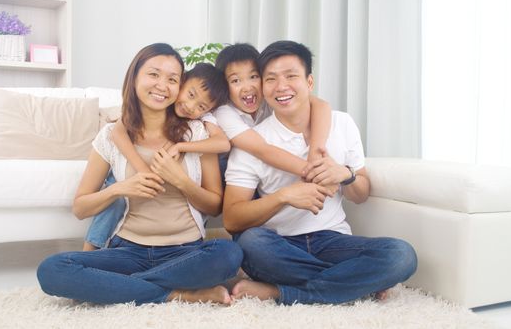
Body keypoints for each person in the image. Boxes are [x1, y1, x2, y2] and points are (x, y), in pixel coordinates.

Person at [37, 43, 242, 305]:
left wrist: (181, 181)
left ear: (180, 86)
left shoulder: (198, 134)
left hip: (186, 250)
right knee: (52, 269)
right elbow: (81, 208)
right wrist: (119, 188)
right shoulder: (111, 137)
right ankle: (176, 294)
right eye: (153, 74)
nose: (162, 85)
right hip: (127, 250)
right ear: (135, 77)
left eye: (172, 79)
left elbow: (214, 206)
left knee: (229, 254)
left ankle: (121, 287)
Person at [222, 40, 417, 305]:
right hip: (278, 244)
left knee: (401, 255)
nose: (282, 86)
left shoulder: (342, 123)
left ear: (309, 82)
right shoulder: (252, 142)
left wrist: (345, 174)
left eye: (291, 76)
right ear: (264, 88)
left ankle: (281, 292)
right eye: (271, 79)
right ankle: (355, 283)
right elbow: (232, 219)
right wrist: (284, 196)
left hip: (332, 240)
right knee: (250, 241)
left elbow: (361, 194)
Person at [82, 62, 230, 251]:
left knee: (226, 252)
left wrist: (181, 147)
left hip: (181, 233)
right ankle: (90, 251)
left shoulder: (198, 126)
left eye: (201, 106)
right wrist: (143, 171)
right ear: (181, 82)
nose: (190, 106)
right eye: (190, 95)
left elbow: (222, 143)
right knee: (114, 191)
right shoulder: (153, 103)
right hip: (129, 167)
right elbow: (117, 133)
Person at [213, 43, 332, 181]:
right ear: (224, 86)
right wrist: (315, 174)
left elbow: (321, 105)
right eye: (235, 80)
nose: (247, 87)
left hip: (264, 165)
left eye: (253, 77)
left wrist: (315, 152)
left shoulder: (271, 98)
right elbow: (262, 150)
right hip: (229, 170)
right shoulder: (224, 112)